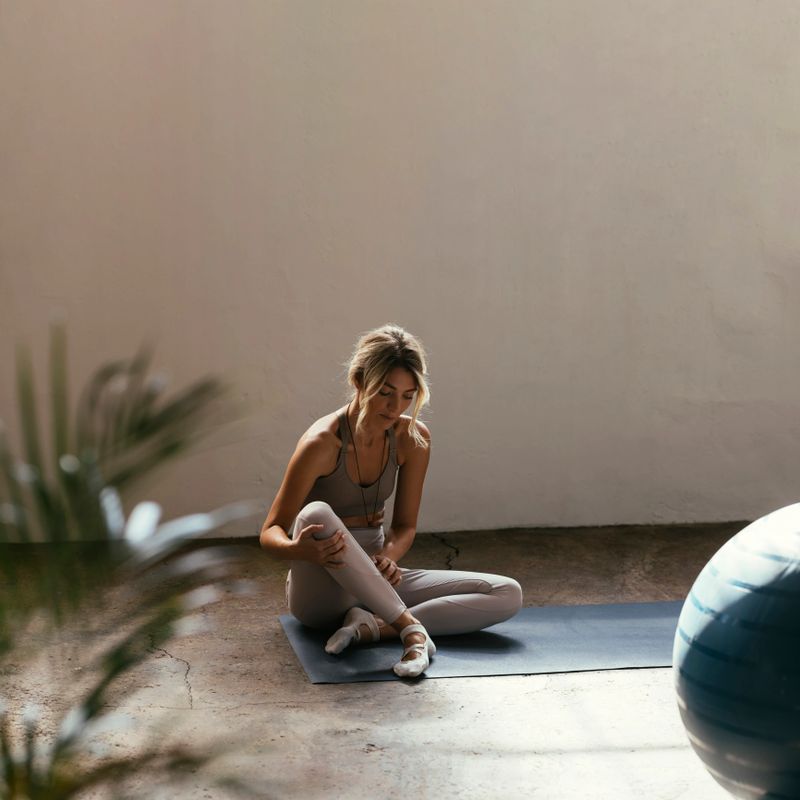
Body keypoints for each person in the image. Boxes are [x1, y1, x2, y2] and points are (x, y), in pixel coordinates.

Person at [260, 324, 523, 678]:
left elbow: (404, 527)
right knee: (316, 513)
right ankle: (412, 631)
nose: (395, 406)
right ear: (358, 381)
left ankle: (370, 627)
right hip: (321, 590)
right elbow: (270, 532)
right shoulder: (322, 443)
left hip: (377, 579)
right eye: (385, 392)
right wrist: (301, 550)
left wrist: (388, 557)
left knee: (506, 592)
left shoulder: (412, 439)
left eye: (407, 396)